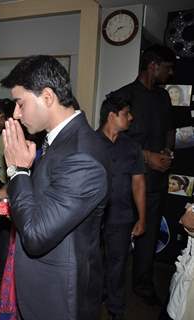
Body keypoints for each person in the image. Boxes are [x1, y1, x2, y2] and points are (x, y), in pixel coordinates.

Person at [0, 55, 110, 319]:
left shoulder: (82, 154)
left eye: (20, 103)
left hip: (60, 296)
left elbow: (37, 235)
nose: (16, 113)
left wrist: (18, 171)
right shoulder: (59, 140)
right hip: (44, 286)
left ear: (47, 97)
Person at [111, 45, 176, 305]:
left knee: (149, 237)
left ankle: (143, 284)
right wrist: (148, 157)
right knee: (117, 238)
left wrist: (168, 152)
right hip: (126, 183)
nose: (170, 74)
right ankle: (110, 289)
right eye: (167, 68)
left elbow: (170, 129)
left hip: (156, 183)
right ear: (153, 66)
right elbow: (112, 137)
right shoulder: (123, 97)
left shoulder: (163, 98)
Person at [97, 96, 146, 320]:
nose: (131, 117)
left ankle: (115, 309)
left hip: (122, 216)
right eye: (126, 113)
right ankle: (93, 301)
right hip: (92, 217)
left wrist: (142, 218)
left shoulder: (132, 147)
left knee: (118, 265)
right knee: (92, 263)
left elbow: (138, 183)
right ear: (112, 116)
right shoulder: (90, 143)